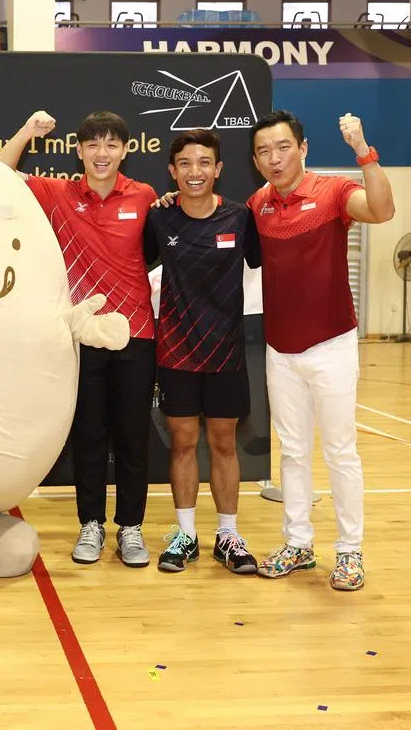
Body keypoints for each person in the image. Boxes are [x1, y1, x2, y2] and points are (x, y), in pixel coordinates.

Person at [0, 110, 157, 568]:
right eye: (92, 145)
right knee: (88, 436)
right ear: (79, 150)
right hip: (81, 336)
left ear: (126, 150)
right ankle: (91, 525)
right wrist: (27, 131)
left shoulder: (145, 196)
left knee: (131, 439)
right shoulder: (59, 194)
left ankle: (130, 528)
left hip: (137, 335)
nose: (101, 154)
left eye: (111, 145)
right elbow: (0, 173)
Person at [247, 110, 394, 591]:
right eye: (264, 151)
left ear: (303, 148)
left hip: (331, 345)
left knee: (339, 451)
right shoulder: (257, 204)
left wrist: (363, 151)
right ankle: (298, 543)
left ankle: (350, 552)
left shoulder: (333, 192)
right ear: (255, 159)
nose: (274, 158)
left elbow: (382, 210)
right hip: (280, 350)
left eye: (283, 147)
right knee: (292, 452)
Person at [142, 129, 261, 575]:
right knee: (184, 443)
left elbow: (269, 262)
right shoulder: (159, 219)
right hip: (175, 352)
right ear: (173, 172)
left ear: (219, 169)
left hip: (226, 353)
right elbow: (136, 264)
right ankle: (186, 534)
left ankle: (227, 535)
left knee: (225, 443)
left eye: (204, 163)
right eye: (186, 164)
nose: (196, 172)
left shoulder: (240, 218)